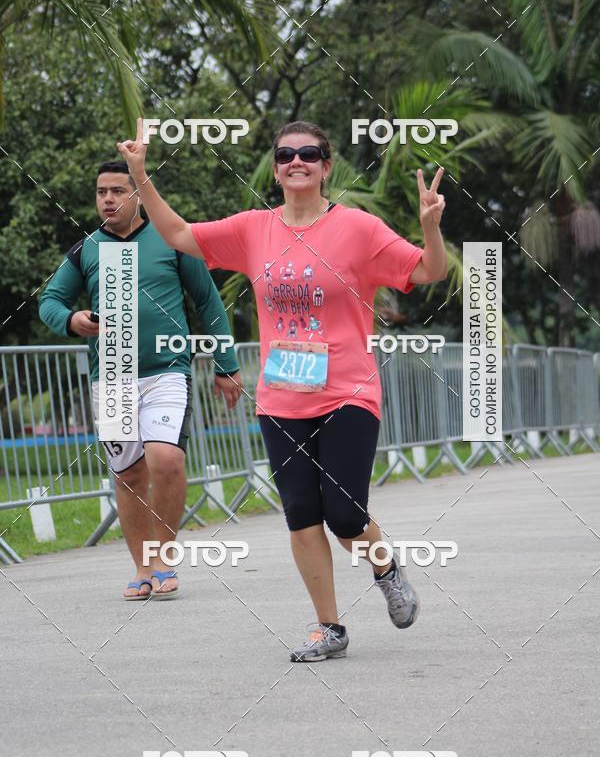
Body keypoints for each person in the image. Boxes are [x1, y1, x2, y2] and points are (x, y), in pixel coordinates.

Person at [116, 119, 447, 658]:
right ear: (275, 168)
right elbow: (178, 234)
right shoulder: (254, 229)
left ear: (325, 166)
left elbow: (427, 270)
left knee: (344, 515)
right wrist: (140, 175)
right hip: (280, 397)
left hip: (348, 391)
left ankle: (385, 568)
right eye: (287, 154)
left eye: (310, 154)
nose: (298, 162)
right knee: (301, 514)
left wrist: (430, 226)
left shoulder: (358, 228)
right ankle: (329, 628)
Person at [39, 160, 242, 600]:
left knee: (165, 459)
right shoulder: (87, 248)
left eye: (117, 190)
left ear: (137, 194)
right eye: (101, 192)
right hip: (110, 379)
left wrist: (226, 365)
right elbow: (50, 301)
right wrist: (72, 319)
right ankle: (142, 567)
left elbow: (208, 303)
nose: (108, 199)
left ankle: (165, 558)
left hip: (167, 372)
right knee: (129, 474)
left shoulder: (171, 240)